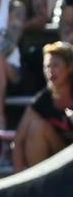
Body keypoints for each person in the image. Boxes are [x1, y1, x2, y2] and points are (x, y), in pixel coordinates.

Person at [13, 41, 73, 171]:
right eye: (47, 66)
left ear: (70, 67)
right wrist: (18, 182)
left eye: (56, 65)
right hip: (59, 162)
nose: (50, 71)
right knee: (37, 127)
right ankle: (37, 184)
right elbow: (18, 141)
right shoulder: (42, 100)